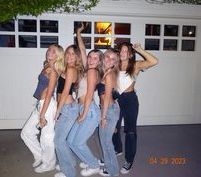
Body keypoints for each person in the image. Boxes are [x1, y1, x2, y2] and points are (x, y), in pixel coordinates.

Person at [112, 42, 158, 174]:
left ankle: (129, 160)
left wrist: (140, 50)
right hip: (116, 98)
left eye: (126, 51)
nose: (122, 53)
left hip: (130, 100)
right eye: (121, 50)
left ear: (131, 54)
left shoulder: (136, 65)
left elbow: (154, 61)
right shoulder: (115, 64)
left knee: (130, 131)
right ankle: (118, 148)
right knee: (114, 127)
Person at [21, 44, 65, 173]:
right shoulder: (46, 65)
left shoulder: (53, 71)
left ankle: (49, 164)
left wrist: (42, 115)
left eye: (53, 51)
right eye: (49, 49)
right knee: (26, 132)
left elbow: (49, 93)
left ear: (58, 56)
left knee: (46, 137)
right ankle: (40, 155)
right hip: (40, 104)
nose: (49, 52)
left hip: (47, 105)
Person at [67, 23, 104, 177]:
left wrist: (83, 113)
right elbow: (82, 49)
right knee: (70, 140)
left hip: (89, 111)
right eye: (90, 57)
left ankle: (94, 165)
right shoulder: (87, 69)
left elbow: (89, 94)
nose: (90, 59)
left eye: (95, 58)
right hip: (84, 109)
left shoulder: (92, 72)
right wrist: (78, 33)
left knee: (77, 142)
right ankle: (90, 159)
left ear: (99, 61)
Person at [54, 44, 83, 177]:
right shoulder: (67, 68)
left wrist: (58, 110)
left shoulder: (71, 69)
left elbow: (65, 92)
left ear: (77, 57)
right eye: (68, 53)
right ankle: (70, 162)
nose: (70, 56)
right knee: (61, 140)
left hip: (67, 109)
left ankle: (69, 173)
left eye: (73, 54)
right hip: (67, 108)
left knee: (59, 141)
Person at [97, 48, 120, 176]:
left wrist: (104, 117)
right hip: (108, 109)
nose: (109, 60)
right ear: (103, 57)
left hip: (108, 111)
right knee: (105, 140)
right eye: (107, 57)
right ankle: (109, 166)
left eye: (113, 59)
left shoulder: (110, 74)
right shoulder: (105, 72)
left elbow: (107, 97)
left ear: (115, 62)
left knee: (106, 142)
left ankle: (113, 171)